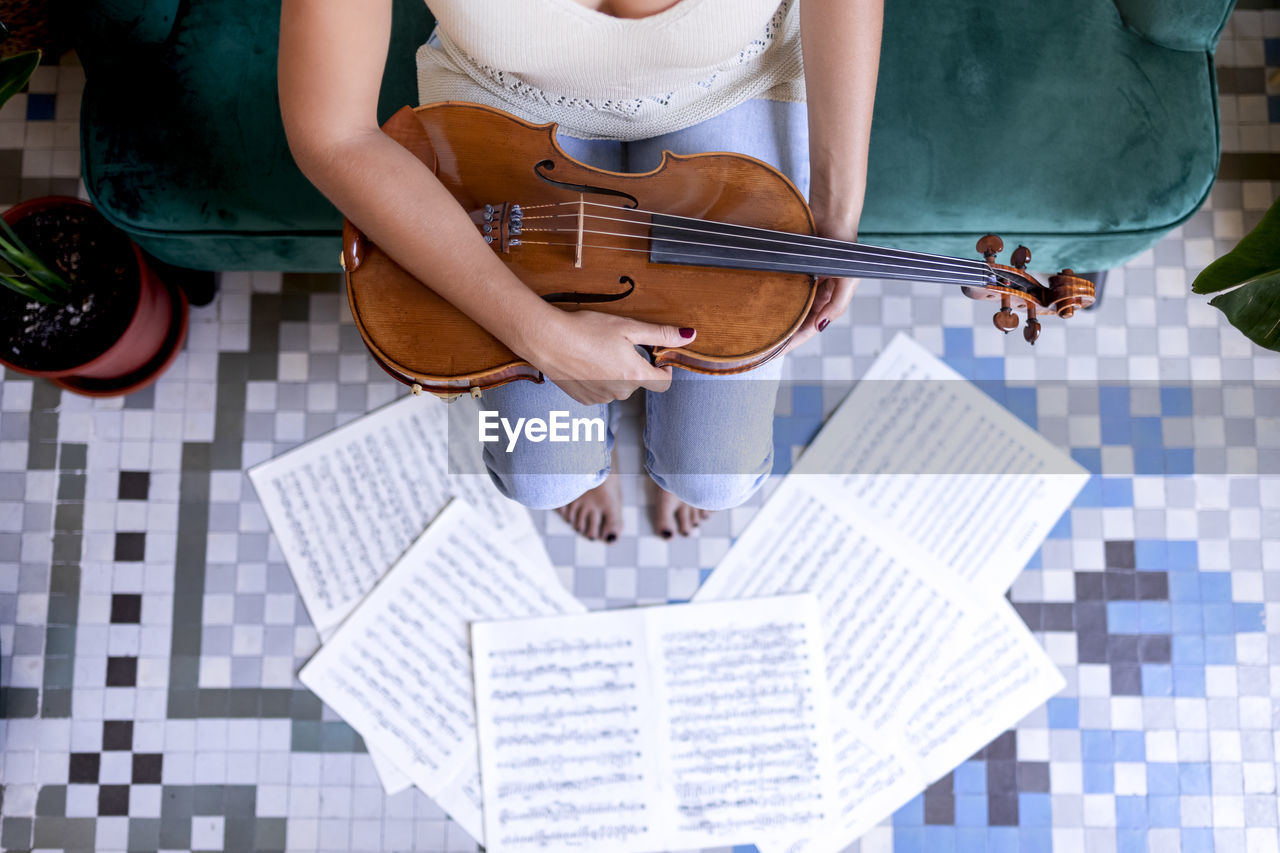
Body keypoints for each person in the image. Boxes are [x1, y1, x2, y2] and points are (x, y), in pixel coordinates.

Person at [278, 0, 881, 542]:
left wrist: (836, 209)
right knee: (541, 477)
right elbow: (336, 135)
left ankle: (651, 419)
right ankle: (595, 447)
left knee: (712, 475)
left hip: (734, 79)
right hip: (505, 98)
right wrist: (537, 333)